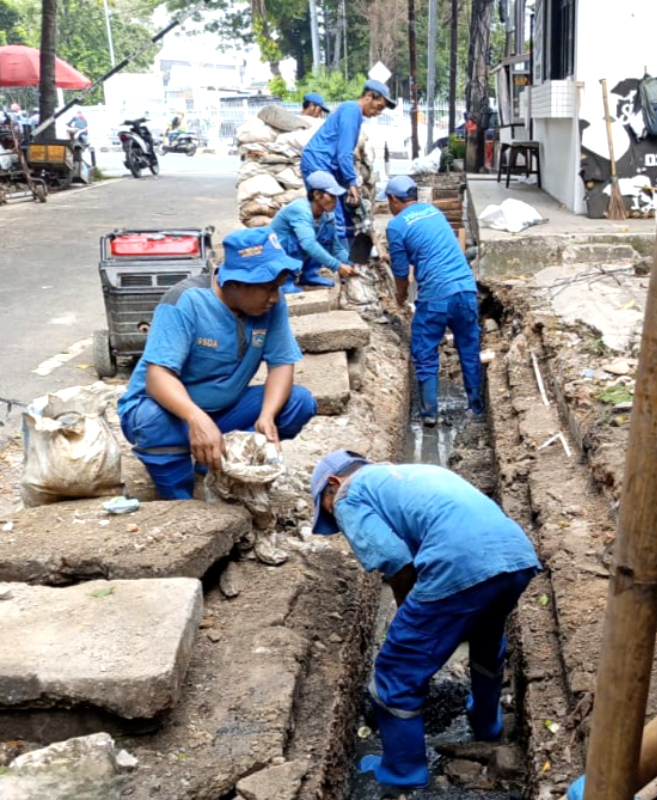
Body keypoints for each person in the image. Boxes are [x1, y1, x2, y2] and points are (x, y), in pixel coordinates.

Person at [309, 451, 540, 791]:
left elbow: (396, 562)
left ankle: (403, 773)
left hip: (460, 561)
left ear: (333, 483)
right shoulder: (413, 473)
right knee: (486, 637)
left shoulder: (348, 494)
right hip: (516, 556)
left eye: (327, 510)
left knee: (394, 674)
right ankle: (487, 724)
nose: (337, 521)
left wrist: (407, 615)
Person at [117, 227, 317, 499]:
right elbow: (158, 377)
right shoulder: (186, 302)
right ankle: (180, 496)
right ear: (234, 282)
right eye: (267, 288)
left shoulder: (271, 303)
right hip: (166, 410)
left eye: (277, 288)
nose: (274, 297)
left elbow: (281, 363)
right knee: (153, 422)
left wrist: (267, 416)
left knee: (297, 403)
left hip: (222, 409)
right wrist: (196, 418)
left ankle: (210, 465)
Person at [384, 175, 483, 426]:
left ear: (394, 200)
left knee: (425, 350)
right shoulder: (434, 212)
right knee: (469, 349)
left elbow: (399, 273)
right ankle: (476, 407)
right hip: (466, 290)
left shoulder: (396, 227)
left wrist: (400, 296)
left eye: (388, 202)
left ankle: (429, 413)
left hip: (435, 297)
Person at [300, 79, 395, 247]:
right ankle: (341, 262)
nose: (379, 112)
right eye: (379, 106)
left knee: (347, 210)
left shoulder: (353, 113)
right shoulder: (352, 111)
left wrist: (349, 186)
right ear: (368, 96)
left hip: (330, 165)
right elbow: (344, 153)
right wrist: (351, 183)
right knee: (331, 211)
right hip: (319, 163)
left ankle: (349, 253)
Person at [270, 170, 359, 292]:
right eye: (331, 196)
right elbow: (309, 244)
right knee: (299, 241)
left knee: (325, 234)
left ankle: (310, 274)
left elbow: (336, 247)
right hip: (279, 253)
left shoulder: (327, 216)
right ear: (317, 194)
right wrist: (337, 266)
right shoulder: (300, 211)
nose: (336, 201)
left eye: (336, 197)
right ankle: (285, 280)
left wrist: (353, 263)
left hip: (302, 248)